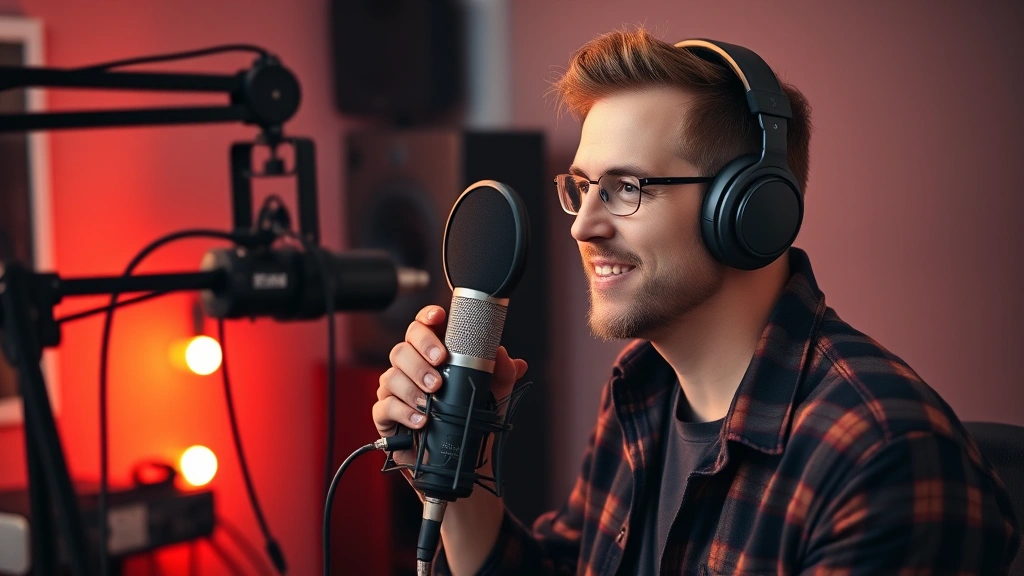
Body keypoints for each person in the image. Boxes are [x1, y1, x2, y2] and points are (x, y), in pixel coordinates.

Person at [371, 28, 1020, 575]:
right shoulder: (642, 390)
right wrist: (456, 468)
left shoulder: (880, 457)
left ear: (746, 211)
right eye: (582, 186)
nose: (583, 225)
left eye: (625, 188)